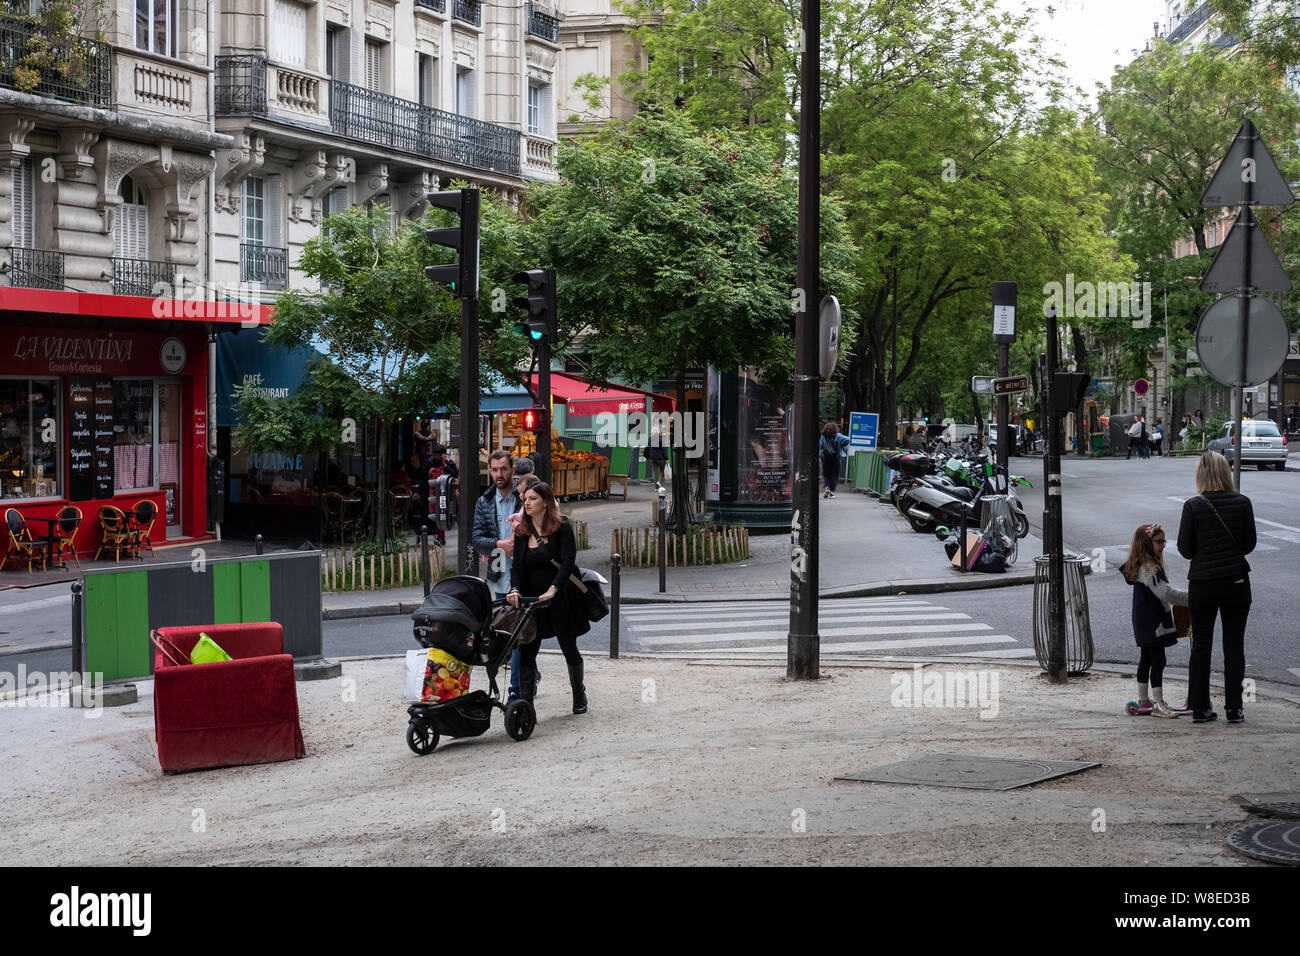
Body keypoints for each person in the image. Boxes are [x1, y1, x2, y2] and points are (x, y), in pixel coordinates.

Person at [1176, 452, 1256, 724]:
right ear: (1226, 472)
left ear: (1201, 474)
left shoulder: (1193, 506)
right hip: (1236, 582)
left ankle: (1199, 708)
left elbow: (1185, 550)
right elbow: (1248, 545)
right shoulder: (1242, 502)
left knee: (1201, 646)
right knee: (1234, 645)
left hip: (1203, 583)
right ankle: (1235, 708)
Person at [507, 482, 590, 715]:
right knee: (527, 649)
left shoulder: (562, 527)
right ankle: (525, 702)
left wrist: (554, 588)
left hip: (558, 598)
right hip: (531, 601)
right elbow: (516, 567)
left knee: (568, 645)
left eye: (532, 499)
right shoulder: (522, 530)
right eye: (526, 499)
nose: (527, 502)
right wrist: (514, 589)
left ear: (545, 501)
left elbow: (567, 562)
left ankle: (578, 692)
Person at [471, 451, 529, 700]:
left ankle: (516, 689)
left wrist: (521, 544)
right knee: (505, 634)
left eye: (503, 469)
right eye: (494, 470)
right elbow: (477, 539)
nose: (498, 475)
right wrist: (498, 544)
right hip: (498, 575)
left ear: (513, 470)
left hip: (525, 576)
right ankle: (524, 679)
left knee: (521, 634)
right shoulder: (484, 501)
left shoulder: (524, 497)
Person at [1119, 524, 1188, 718]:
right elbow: (1166, 593)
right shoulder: (1149, 568)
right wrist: (1193, 597)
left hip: (1143, 621)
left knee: (1146, 659)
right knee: (1158, 659)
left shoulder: (1139, 564)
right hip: (1153, 623)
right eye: (1159, 542)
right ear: (1147, 544)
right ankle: (1158, 703)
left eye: (1164, 541)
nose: (1163, 545)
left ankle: (1143, 700)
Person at [819, 422, 850, 498]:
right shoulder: (838, 436)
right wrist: (842, 445)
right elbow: (848, 440)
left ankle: (827, 489)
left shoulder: (823, 436)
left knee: (826, 475)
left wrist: (821, 455)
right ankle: (831, 490)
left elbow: (821, 446)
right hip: (835, 458)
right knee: (834, 475)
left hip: (825, 458)